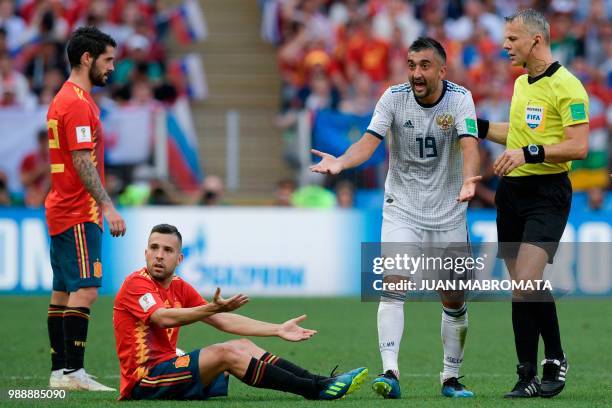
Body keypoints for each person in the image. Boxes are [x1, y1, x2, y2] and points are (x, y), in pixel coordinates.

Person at [311, 37, 481, 399]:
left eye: (424, 66)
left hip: (449, 210)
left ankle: (450, 377)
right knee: (394, 284)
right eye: (411, 65)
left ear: (441, 70)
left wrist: (469, 180)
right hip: (402, 207)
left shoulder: (460, 98)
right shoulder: (393, 97)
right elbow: (369, 142)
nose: (416, 73)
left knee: (453, 298)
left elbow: (470, 145)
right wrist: (341, 161)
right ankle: (390, 372)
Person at [113, 223, 368, 400]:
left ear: (179, 259)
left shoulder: (179, 285)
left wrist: (277, 329)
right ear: (145, 252)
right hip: (144, 380)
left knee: (242, 344)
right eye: (154, 248)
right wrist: (211, 307)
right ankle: (315, 390)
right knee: (226, 352)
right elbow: (161, 317)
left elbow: (222, 319)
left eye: (167, 250)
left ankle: (323, 382)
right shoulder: (137, 283)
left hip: (169, 369)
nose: (159, 255)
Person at [476, 9, 589, 398]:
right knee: (520, 288)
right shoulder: (523, 82)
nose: (504, 45)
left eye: (512, 39)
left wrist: (529, 153)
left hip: (547, 194)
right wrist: (479, 127)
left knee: (526, 281)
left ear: (536, 40)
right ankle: (525, 377)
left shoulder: (568, 86)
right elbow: (519, 132)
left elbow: (579, 145)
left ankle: (555, 357)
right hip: (512, 195)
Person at [45, 26, 126, 391]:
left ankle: (59, 372)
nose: (113, 67)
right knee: (87, 289)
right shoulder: (77, 103)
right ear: (87, 58)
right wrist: (107, 207)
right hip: (79, 211)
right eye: (108, 59)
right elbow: (82, 159)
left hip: (62, 208)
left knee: (63, 292)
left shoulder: (66, 97)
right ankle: (73, 373)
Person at [20, 129, 51, 208]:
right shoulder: (29, 158)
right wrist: (39, 171)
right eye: (42, 141)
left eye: (46, 140)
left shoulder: (55, 158)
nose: (44, 143)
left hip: (49, 195)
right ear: (38, 141)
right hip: (33, 195)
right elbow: (23, 181)